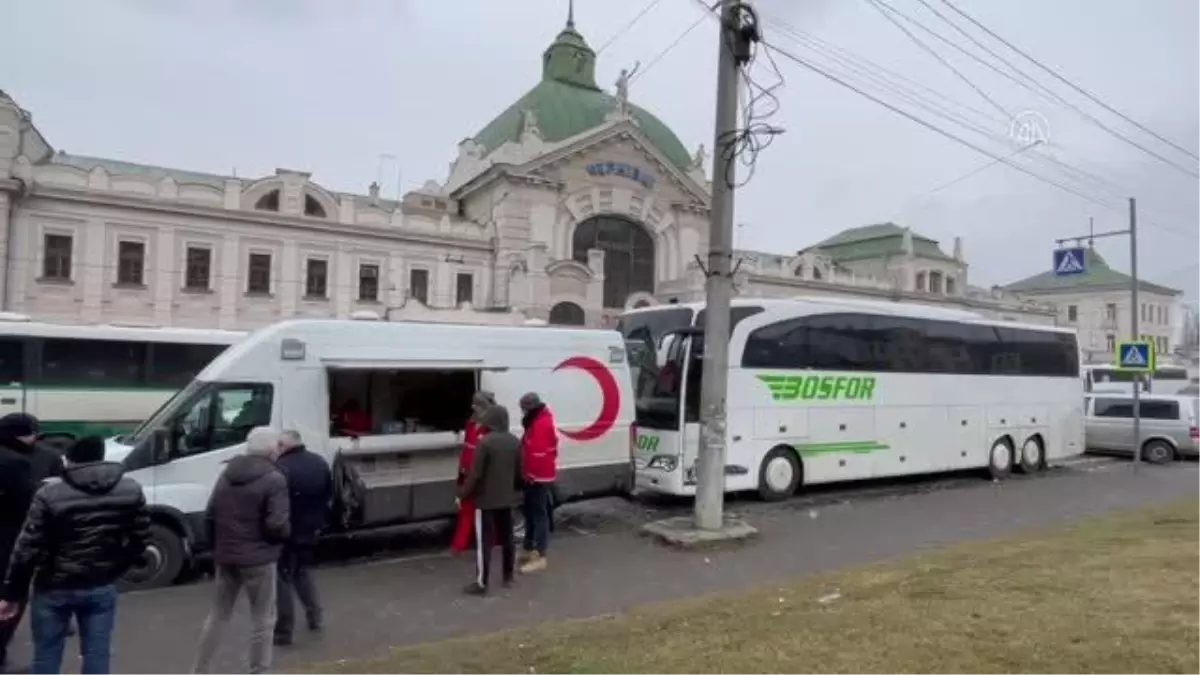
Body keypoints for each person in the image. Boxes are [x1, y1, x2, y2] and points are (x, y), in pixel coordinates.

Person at [0, 436, 149, 675]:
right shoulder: (130, 489)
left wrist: (12, 594)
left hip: (53, 586)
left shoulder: (49, 494)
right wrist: (114, 568)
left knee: (47, 653)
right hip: (101, 584)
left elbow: (27, 547)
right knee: (97, 652)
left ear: (69, 461)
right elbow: (140, 538)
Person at [191, 427, 290, 675]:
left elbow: (210, 515)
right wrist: (281, 538)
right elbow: (277, 523)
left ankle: (200, 670)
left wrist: (217, 547)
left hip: (226, 557)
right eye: (278, 446)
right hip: (259, 558)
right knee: (263, 619)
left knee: (218, 616)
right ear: (272, 450)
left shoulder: (227, 473)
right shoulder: (275, 479)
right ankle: (259, 670)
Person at [0, 413, 64, 670]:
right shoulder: (16, 463)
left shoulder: (39, 456)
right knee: (11, 600)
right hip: (9, 543)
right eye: (30, 432)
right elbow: (28, 501)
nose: (34, 437)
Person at [272, 430, 332, 647]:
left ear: (282, 445)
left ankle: (283, 631)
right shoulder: (319, 462)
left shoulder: (280, 469)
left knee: (282, 578)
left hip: (288, 531)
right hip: (311, 529)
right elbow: (328, 494)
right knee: (302, 572)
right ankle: (315, 616)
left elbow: (277, 504)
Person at [458, 404, 523, 595]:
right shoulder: (514, 442)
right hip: (507, 498)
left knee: (484, 543)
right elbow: (519, 473)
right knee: (508, 538)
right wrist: (514, 491)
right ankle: (508, 577)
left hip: (485, 500)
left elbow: (476, 475)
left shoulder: (485, 443)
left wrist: (462, 493)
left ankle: (482, 583)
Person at [450, 392, 496, 554]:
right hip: (468, 473)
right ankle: (458, 545)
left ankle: (488, 544)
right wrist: (461, 473)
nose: (473, 408)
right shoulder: (471, 424)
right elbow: (466, 450)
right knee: (466, 510)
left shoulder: (491, 428)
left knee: (485, 512)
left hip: (483, 476)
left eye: (476, 405)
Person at [517, 392, 558, 574]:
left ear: (530, 408)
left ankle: (539, 555)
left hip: (538, 477)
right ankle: (528, 548)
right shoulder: (539, 420)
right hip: (537, 475)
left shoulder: (540, 424)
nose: (523, 413)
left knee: (539, 516)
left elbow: (538, 454)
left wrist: (530, 475)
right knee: (530, 513)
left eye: (524, 409)